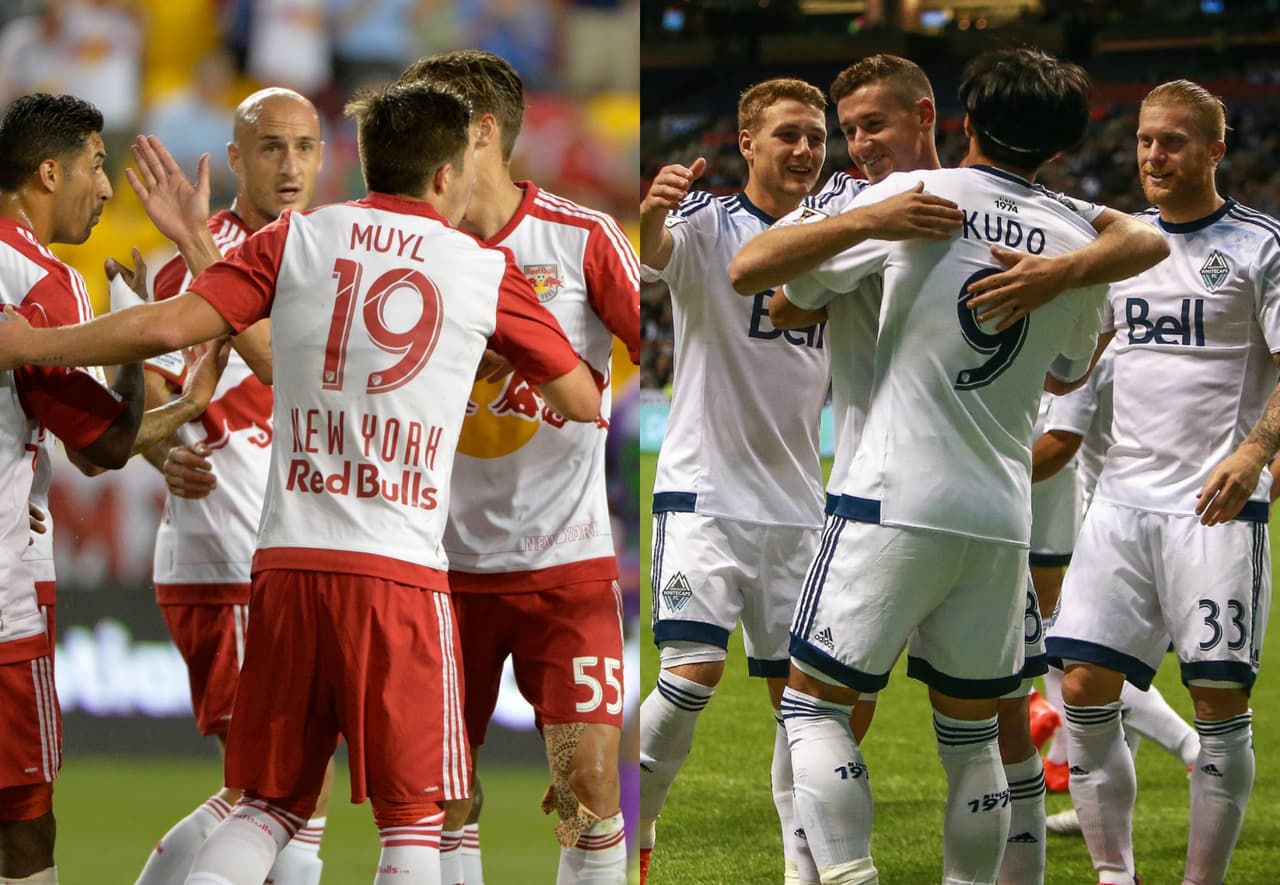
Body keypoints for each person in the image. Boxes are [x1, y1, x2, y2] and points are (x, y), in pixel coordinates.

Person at [0, 81, 603, 885]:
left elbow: (172, 324)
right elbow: (581, 397)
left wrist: (31, 343)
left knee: (267, 805)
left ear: (356, 161)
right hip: (398, 571)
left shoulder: (300, 240)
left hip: (284, 565)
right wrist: (489, 369)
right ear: (447, 175)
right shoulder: (482, 270)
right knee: (415, 819)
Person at [730, 53, 1169, 885]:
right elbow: (1068, 373)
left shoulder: (910, 205)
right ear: (1064, 144)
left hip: (888, 496)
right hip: (1001, 515)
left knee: (813, 706)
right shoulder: (1081, 240)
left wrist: (867, 229)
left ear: (960, 119)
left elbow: (760, 280)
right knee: (975, 739)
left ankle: (848, 875)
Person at [636, 75, 969, 885]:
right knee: (689, 680)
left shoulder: (841, 237)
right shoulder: (709, 225)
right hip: (703, 495)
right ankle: (627, 838)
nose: (805, 150)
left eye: (814, 136)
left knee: (807, 711)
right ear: (746, 143)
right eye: (787, 134)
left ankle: (804, 872)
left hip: (799, 509)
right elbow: (652, 256)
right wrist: (649, 210)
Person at [396, 50, 639, 885]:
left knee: (588, 786)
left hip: (562, 570)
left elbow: (666, 357)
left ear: (484, 131)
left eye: (438, 125)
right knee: (439, 800)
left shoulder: (581, 240)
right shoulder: (406, 246)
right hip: (438, 573)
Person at [1045, 79, 1280, 885]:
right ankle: (1116, 873)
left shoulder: (1259, 246)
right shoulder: (1120, 244)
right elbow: (1083, 350)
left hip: (1214, 511)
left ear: (1216, 151)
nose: (1152, 154)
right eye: (1145, 139)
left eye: (1173, 141)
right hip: (1119, 506)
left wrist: (1254, 454)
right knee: (1081, 684)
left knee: (1217, 701)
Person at [0, 91, 227, 885]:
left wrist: (189, 408)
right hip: (3, 597)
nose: (104, 190)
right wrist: (131, 339)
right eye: (97, 167)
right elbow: (102, 445)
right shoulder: (42, 278)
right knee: (23, 819)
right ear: (49, 169)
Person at [130, 86, 333, 885]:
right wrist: (162, 455)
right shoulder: (190, 257)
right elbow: (152, 400)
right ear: (238, 157)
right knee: (278, 792)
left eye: (306, 147)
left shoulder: (326, 250)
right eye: (272, 147)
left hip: (288, 546)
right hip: (227, 546)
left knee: (266, 792)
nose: (290, 166)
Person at [1027, 343, 1199, 839]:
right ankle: (1086, 793)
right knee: (1096, 662)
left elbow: (1060, 441)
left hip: (1108, 519)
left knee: (1077, 658)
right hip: (1144, 515)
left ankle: (1191, 750)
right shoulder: (1145, 337)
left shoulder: (1094, 342)